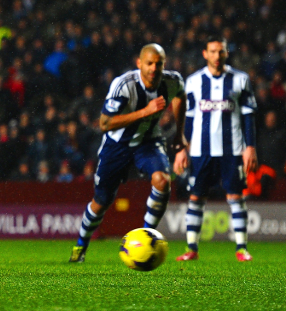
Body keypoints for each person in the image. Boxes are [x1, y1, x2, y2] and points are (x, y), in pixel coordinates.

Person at [69, 44, 187, 262]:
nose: (154, 68)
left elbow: (181, 95)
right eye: (149, 63)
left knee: (162, 181)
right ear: (139, 63)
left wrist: (180, 135)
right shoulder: (124, 85)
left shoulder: (172, 81)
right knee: (101, 201)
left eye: (158, 64)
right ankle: (80, 246)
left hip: (148, 142)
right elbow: (104, 123)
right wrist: (145, 111)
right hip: (116, 146)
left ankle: (146, 239)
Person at [175, 36, 258, 262]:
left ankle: (241, 248)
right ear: (205, 54)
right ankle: (191, 248)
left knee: (235, 196)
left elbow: (249, 116)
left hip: (232, 150)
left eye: (221, 51)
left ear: (226, 53)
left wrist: (250, 147)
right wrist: (182, 149)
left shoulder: (240, 79)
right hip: (201, 151)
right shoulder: (193, 81)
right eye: (212, 51)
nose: (217, 56)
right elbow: (189, 118)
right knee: (196, 197)